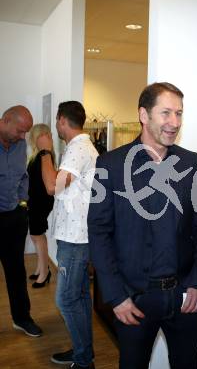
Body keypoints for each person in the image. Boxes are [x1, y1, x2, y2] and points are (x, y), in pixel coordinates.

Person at [88, 82, 197, 369]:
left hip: (185, 297)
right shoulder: (111, 165)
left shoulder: (191, 163)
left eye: (179, 114)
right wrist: (116, 296)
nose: (174, 122)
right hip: (134, 301)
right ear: (144, 115)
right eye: (166, 113)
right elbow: (99, 232)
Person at [38, 101, 97, 369]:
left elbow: (52, 186)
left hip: (76, 240)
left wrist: (44, 152)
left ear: (62, 120)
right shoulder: (79, 147)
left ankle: (84, 360)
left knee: (66, 299)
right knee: (80, 297)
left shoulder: (80, 148)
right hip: (75, 237)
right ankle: (83, 353)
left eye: (57, 122)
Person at [0, 105, 43, 337]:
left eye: (26, 132)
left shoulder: (19, 147)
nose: (23, 136)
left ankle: (22, 318)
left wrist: (23, 203)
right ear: (5, 121)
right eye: (20, 130)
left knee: (16, 272)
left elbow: (23, 176)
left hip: (14, 218)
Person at [27, 124, 55, 288]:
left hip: (40, 201)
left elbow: (46, 184)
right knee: (36, 236)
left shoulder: (45, 156)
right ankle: (41, 268)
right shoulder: (38, 156)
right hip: (34, 201)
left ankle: (44, 273)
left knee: (38, 236)